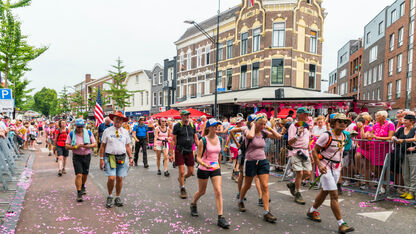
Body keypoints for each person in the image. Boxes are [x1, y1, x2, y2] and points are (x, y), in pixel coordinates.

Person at [309, 113, 354, 234]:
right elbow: (314, 150)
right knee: (334, 195)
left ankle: (311, 211)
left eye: (345, 122)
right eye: (339, 121)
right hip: (325, 166)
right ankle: (341, 224)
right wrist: (319, 165)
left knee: (325, 191)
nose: (343, 123)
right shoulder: (326, 135)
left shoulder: (344, 136)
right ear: (333, 123)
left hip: (336, 167)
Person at [237, 113, 282, 223]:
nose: (263, 126)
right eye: (261, 124)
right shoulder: (247, 130)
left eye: (264, 124)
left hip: (262, 161)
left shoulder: (264, 133)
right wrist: (253, 126)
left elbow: (278, 136)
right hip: (250, 161)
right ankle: (241, 200)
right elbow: (250, 136)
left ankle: (267, 212)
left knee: (265, 186)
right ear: (255, 123)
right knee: (247, 185)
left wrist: (269, 127)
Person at [190, 119, 230, 229]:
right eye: (214, 126)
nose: (216, 127)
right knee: (202, 191)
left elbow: (219, 154)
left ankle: (220, 217)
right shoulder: (203, 140)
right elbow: (197, 157)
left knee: (218, 190)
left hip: (215, 168)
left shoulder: (220, 139)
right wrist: (204, 164)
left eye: (217, 125)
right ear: (208, 128)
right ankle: (193, 204)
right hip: (204, 168)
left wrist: (219, 166)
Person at [99, 111, 133, 208]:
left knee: (119, 178)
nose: (118, 120)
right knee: (111, 178)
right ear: (113, 119)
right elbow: (102, 146)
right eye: (117, 118)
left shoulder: (125, 132)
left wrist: (130, 157)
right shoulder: (107, 131)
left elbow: (127, 146)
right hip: (110, 157)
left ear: (123, 121)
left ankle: (117, 197)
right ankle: (110, 196)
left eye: (120, 119)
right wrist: (101, 159)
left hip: (122, 157)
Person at [169, 110, 199, 199]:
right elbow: (173, 140)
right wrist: (171, 153)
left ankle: (182, 178)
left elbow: (196, 138)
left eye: (188, 115)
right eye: (185, 115)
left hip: (189, 150)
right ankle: (182, 188)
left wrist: (202, 148)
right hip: (180, 150)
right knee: (181, 171)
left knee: (190, 172)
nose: (187, 116)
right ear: (181, 116)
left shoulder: (193, 126)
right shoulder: (177, 126)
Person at [65, 119, 97, 202]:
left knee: (85, 174)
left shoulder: (88, 133)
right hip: (77, 156)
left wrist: (88, 146)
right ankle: (79, 193)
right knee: (79, 174)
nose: (80, 129)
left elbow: (95, 143)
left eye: (81, 127)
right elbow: (67, 146)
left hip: (87, 156)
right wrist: (76, 147)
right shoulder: (71, 134)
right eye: (78, 127)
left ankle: (83, 185)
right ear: (75, 126)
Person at [287, 107, 313, 205]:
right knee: (300, 173)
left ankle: (293, 185)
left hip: (305, 152)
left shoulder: (307, 126)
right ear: (299, 114)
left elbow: (308, 141)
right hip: (296, 152)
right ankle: (298, 193)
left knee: (307, 173)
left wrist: (310, 154)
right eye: (305, 114)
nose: (307, 116)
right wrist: (298, 134)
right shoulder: (293, 126)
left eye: (307, 114)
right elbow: (289, 142)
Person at [392, 114, 416, 200]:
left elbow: (415, 139)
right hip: (403, 153)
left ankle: (412, 192)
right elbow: (394, 135)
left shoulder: (415, 129)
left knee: (413, 174)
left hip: (413, 154)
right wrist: (395, 139)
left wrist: (403, 140)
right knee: (405, 173)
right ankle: (407, 189)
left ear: (412, 121)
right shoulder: (401, 129)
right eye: (404, 120)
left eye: (406, 120)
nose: (404, 122)